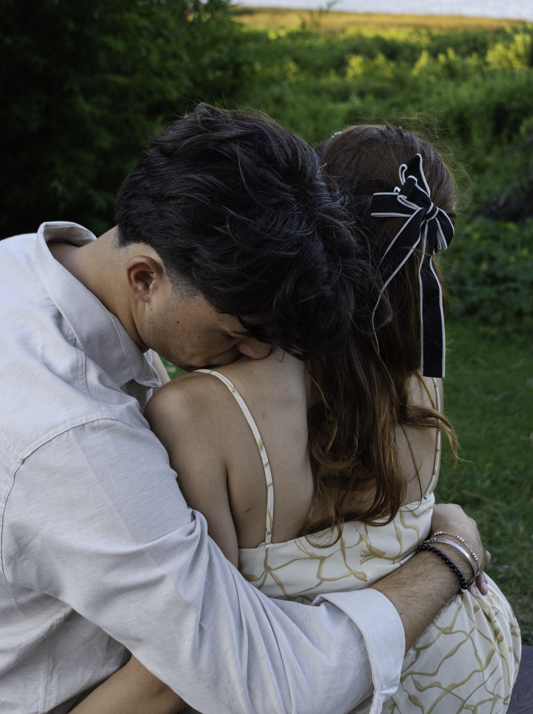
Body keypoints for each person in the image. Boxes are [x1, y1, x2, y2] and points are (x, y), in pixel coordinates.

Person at [1, 105, 490, 714]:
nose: (261, 352)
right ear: (144, 277)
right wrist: (452, 555)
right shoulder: (74, 440)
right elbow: (245, 684)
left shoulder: (26, 269)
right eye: (243, 330)